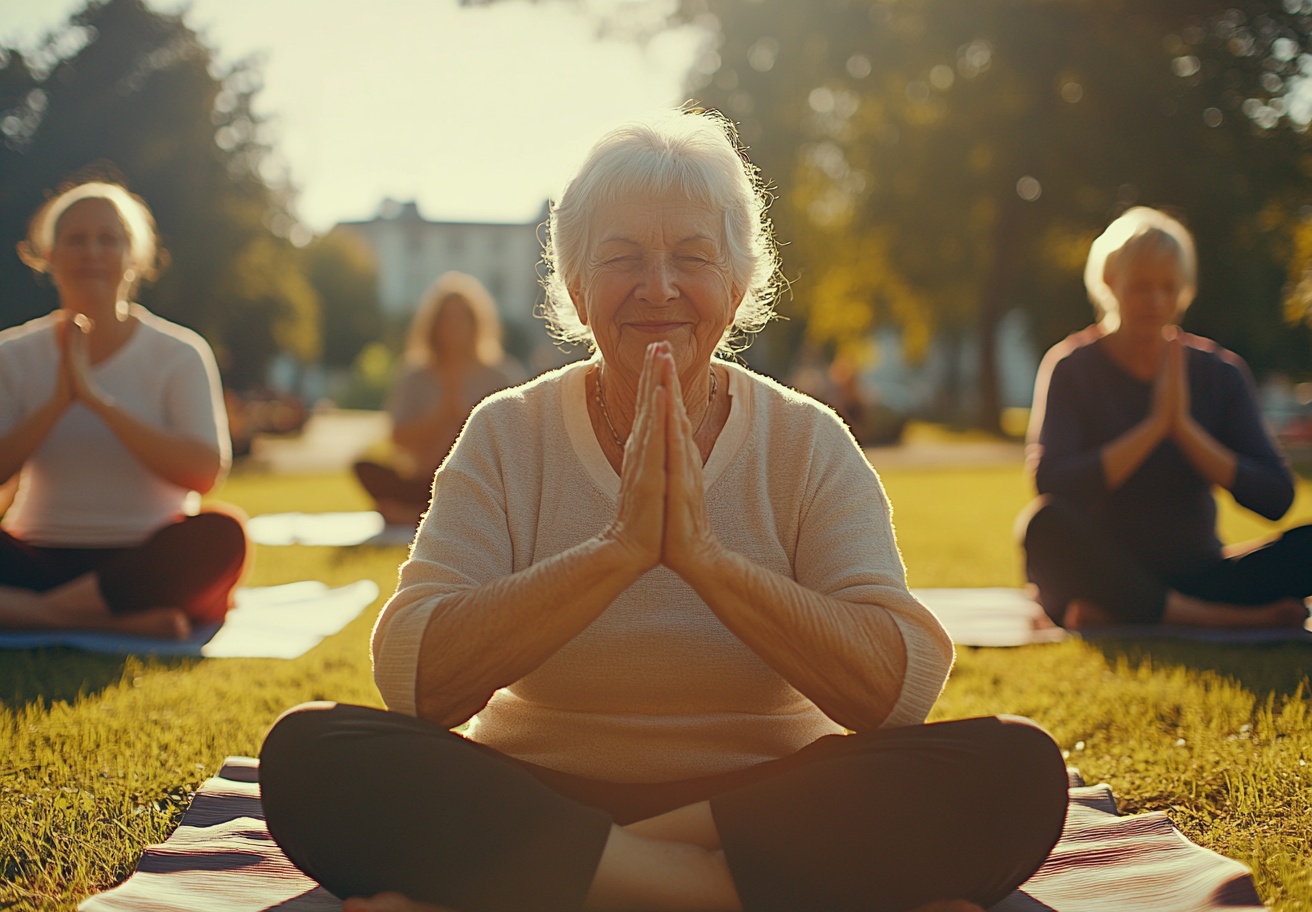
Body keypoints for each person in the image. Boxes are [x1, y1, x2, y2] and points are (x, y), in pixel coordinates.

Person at [260, 112, 1069, 912]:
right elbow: (416, 677)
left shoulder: (808, 440)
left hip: (769, 797)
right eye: (621, 259)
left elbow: (896, 691)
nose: (658, 287)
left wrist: (709, 561)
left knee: (1018, 770)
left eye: (692, 258)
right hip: (538, 788)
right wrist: (615, 553)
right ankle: (719, 887)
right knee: (310, 752)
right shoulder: (507, 432)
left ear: (737, 286)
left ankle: (581, 880)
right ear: (577, 290)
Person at [1021, 206, 1312, 630]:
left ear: (1185, 289)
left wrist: (1184, 431)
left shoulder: (1220, 372)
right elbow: (1051, 483)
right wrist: (1152, 428)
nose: (1155, 302)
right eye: (1140, 287)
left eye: (1168, 287)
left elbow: (1277, 498)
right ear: (1109, 283)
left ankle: (1132, 616)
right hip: (1107, 574)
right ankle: (1217, 621)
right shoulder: (1072, 367)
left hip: (1203, 573)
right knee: (1042, 526)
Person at [0, 180, 246, 641]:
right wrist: (56, 403)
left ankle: (26, 613)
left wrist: (98, 401)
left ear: (134, 258)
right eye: (75, 239)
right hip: (38, 555)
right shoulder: (11, 354)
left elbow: (204, 474)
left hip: (145, 561)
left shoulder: (180, 352)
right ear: (49, 256)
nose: (91, 251)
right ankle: (96, 618)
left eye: (108, 239)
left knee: (223, 533)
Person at [354, 271, 525, 527]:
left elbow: (518, 444)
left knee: (505, 489)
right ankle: (434, 514)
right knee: (364, 467)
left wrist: (467, 422)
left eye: (461, 317)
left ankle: (415, 516)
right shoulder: (414, 373)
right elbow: (397, 438)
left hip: (480, 482)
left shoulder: (501, 374)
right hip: (424, 481)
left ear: (476, 322)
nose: (454, 326)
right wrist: (441, 416)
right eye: (446, 318)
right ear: (433, 324)